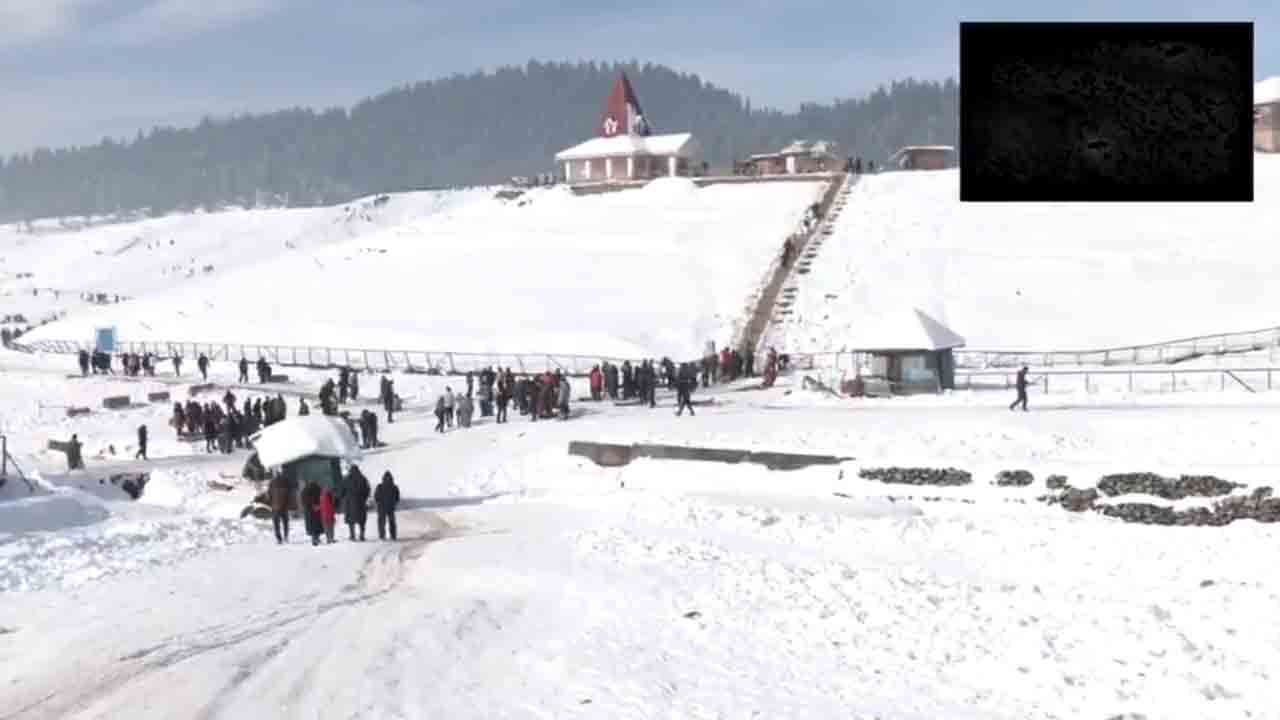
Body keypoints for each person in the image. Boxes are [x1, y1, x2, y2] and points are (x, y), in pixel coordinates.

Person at [343, 465, 371, 541]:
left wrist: (345, 498)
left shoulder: (346, 479)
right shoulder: (362, 478)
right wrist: (364, 498)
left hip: (349, 503)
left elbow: (342, 490)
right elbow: (367, 489)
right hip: (360, 502)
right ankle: (362, 535)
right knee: (362, 520)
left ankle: (352, 535)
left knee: (351, 521)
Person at [374, 471, 400, 541]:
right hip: (391, 507)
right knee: (392, 522)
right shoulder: (394, 487)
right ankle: (393, 535)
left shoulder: (379, 486)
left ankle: (382, 536)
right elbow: (397, 497)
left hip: (381, 507)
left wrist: (378, 503)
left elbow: (376, 496)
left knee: (381, 522)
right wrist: (394, 503)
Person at [268, 473, 292, 544]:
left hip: (275, 507)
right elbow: (289, 494)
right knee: (285, 522)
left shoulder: (272, 483)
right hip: (284, 507)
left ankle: (279, 539)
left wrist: (271, 504)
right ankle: (286, 536)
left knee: (276, 524)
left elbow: (269, 495)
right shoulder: (285, 482)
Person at [301, 480, 323, 546]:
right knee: (317, 525)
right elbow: (322, 498)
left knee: (311, 525)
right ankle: (317, 538)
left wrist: (307, 506)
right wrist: (318, 505)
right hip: (317, 509)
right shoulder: (318, 488)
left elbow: (303, 500)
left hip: (309, 510)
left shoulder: (305, 490)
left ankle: (314, 539)